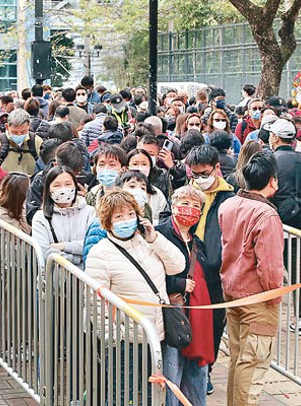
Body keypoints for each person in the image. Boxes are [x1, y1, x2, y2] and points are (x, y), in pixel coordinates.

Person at [85, 189, 186, 403]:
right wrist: (117, 335)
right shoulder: (100, 253)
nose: (126, 220)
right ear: (108, 222)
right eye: (119, 216)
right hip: (126, 340)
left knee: (154, 394)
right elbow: (94, 302)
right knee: (122, 394)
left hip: (158, 336)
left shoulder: (148, 242)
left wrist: (154, 238)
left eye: (130, 214)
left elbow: (177, 265)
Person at [219, 151, 284, 406]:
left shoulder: (229, 205)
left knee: (238, 358)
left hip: (232, 291)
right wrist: (274, 294)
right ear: (272, 181)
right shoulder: (267, 216)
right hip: (258, 298)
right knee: (253, 362)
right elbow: (270, 267)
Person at [157, 186, 214, 406]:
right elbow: (153, 273)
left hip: (196, 314)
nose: (189, 209)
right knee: (173, 367)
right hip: (172, 312)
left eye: (196, 206)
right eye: (185, 203)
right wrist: (179, 284)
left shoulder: (197, 242)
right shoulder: (160, 234)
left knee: (196, 369)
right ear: (173, 205)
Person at [185, 144, 235, 394]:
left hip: (216, 273)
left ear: (217, 168)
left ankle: (207, 370)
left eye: (205, 174)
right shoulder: (187, 194)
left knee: (214, 324)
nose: (200, 180)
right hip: (189, 269)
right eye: (195, 174)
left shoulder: (231, 197)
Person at [267, 118, 301, 336]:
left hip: (276, 226)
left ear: (276, 138)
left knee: (269, 274)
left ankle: (266, 320)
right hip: (300, 229)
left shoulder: (271, 161)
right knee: (298, 276)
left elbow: (266, 194)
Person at [32, 166, 96, 267]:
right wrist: (76, 258)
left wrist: (63, 246)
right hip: (54, 278)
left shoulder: (90, 212)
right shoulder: (40, 217)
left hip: (85, 277)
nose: (63, 189)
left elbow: (92, 245)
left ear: (75, 186)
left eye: (68, 184)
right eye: (57, 185)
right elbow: (44, 252)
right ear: (48, 190)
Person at [0, 109, 43, 176]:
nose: (19, 135)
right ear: (7, 127)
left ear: (28, 126)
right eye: (14, 132)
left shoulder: (36, 142)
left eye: (23, 132)